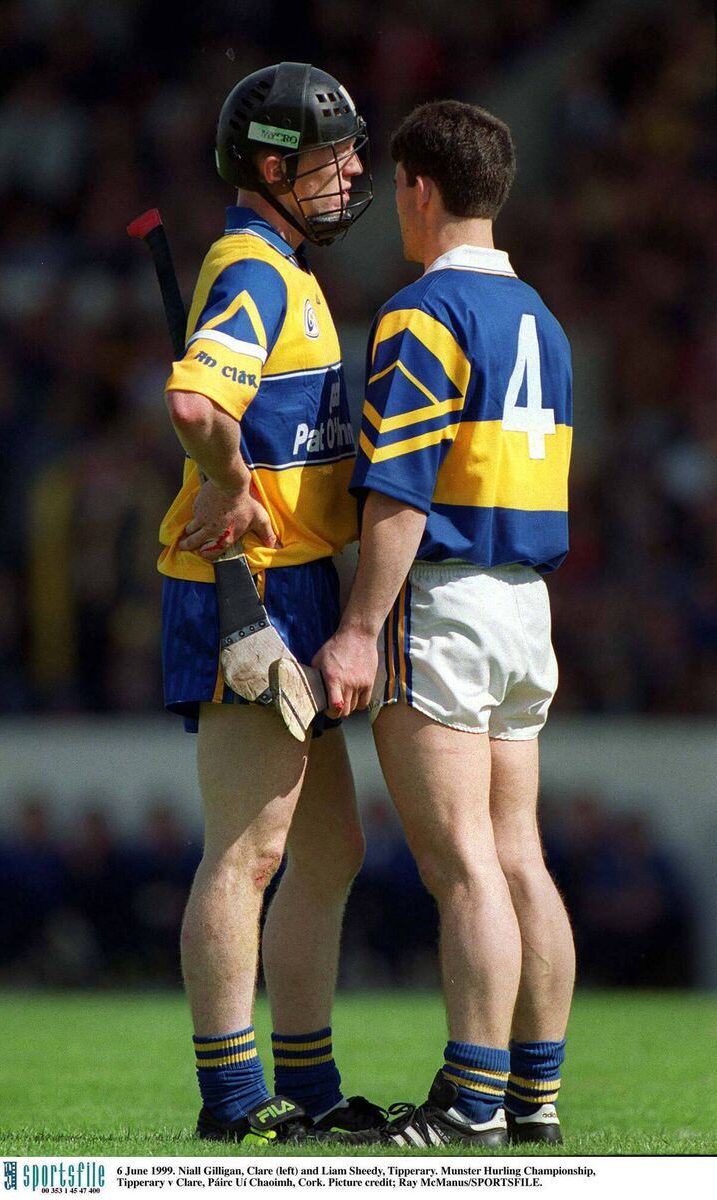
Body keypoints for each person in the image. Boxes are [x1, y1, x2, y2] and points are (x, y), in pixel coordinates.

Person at [314, 100, 576, 1148]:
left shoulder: (424, 313)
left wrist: (354, 626)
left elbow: (403, 496)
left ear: (418, 189)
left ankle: (470, 1101)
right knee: (519, 856)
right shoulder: (543, 318)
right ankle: (533, 1099)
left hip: (447, 603)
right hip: (526, 605)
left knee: (462, 863)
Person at [159, 62, 383, 1145]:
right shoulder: (251, 266)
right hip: (242, 589)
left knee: (328, 849)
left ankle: (309, 1084)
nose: (351, 174)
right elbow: (199, 400)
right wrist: (230, 480)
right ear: (271, 166)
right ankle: (234, 1101)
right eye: (332, 158)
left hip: (301, 580)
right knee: (247, 852)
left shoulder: (285, 266)